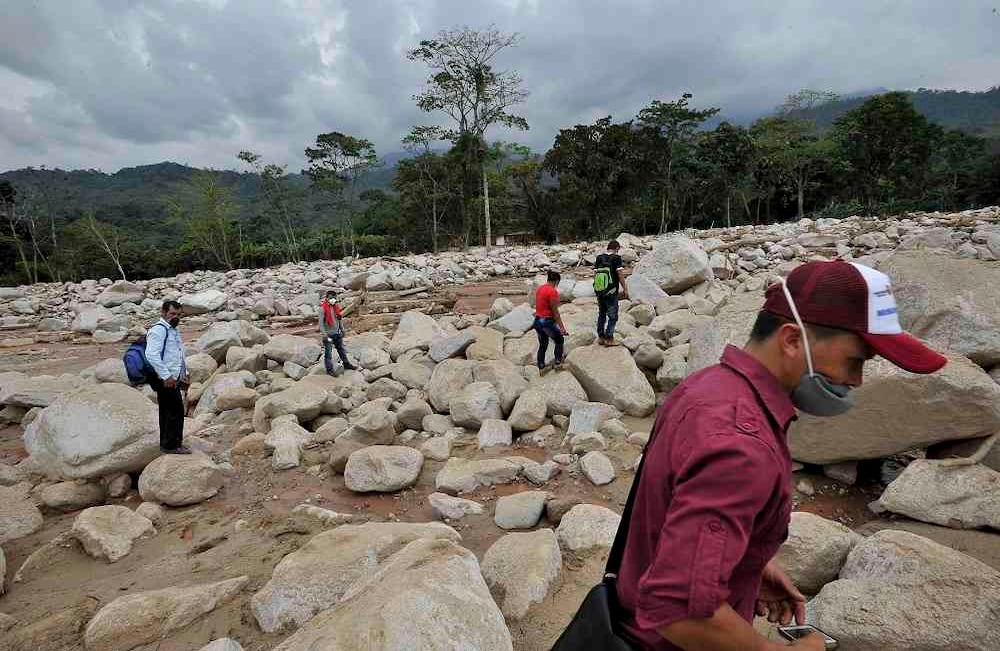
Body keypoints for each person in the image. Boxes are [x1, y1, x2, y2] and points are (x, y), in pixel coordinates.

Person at [615, 260, 947, 651]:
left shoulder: (706, 387)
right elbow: (678, 610)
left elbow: (668, 511)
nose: (856, 380)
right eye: (856, 361)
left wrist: (746, 566)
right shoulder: (741, 444)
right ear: (792, 340)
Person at [145, 300, 191, 455]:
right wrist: (166, 376)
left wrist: (184, 374)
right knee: (175, 411)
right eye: (172, 314)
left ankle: (167, 443)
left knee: (168, 410)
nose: (175, 317)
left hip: (173, 376)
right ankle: (172, 445)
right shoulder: (158, 330)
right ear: (163, 313)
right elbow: (151, 355)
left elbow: (178, 354)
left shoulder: (173, 330)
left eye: (178, 314)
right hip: (164, 377)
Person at [533, 270, 568, 372]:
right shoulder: (552, 292)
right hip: (546, 322)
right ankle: (558, 363)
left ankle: (541, 367)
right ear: (556, 281)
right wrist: (562, 328)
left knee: (543, 344)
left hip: (537, 321)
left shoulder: (540, 288)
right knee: (559, 340)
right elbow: (555, 313)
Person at [594, 239, 628, 346]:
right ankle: (609, 338)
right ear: (617, 248)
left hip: (600, 291)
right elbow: (620, 275)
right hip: (611, 292)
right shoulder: (616, 258)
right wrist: (625, 288)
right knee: (613, 316)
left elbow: (595, 275)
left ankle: (601, 337)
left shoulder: (599, 258)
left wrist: (598, 289)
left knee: (602, 314)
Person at [320, 290, 355, 375]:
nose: (333, 300)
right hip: (328, 335)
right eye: (331, 298)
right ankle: (329, 370)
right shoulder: (322, 309)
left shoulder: (336, 307)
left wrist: (342, 329)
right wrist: (324, 334)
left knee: (341, 350)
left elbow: (339, 320)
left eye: (334, 298)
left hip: (337, 333)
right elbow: (320, 323)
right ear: (327, 298)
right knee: (328, 353)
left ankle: (346, 364)